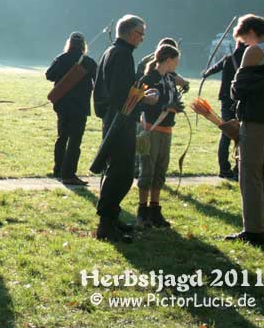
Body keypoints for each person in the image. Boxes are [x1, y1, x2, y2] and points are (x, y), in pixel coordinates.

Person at [93, 14, 158, 242]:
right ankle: (106, 224)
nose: (142, 38)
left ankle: (112, 217)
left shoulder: (113, 52)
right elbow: (121, 94)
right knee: (121, 173)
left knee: (118, 171)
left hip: (114, 118)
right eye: (140, 34)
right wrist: (145, 100)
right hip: (120, 120)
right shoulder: (121, 55)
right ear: (130, 33)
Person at [226, 14, 264, 245]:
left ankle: (253, 231)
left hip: (256, 118)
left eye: (244, 39)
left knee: (248, 175)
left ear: (251, 31)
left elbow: (238, 88)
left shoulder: (255, 51)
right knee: (263, 174)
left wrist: (234, 85)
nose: (244, 45)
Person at [137, 44, 183, 228]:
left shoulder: (170, 79)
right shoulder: (150, 78)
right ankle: (142, 211)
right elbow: (141, 100)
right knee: (147, 170)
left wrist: (175, 105)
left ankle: (155, 210)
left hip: (167, 129)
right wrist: (164, 106)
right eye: (176, 60)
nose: (177, 64)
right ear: (168, 59)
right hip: (151, 129)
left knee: (160, 172)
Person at [45, 32, 97, 186]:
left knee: (62, 137)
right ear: (83, 46)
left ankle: (58, 169)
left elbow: (49, 75)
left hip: (62, 104)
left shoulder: (61, 58)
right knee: (75, 141)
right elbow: (98, 80)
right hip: (80, 107)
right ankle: (69, 174)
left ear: (69, 44)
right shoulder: (89, 62)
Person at [202, 40, 247, 180]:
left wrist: (205, 73)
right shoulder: (248, 61)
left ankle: (224, 169)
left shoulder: (228, 58)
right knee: (241, 135)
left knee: (226, 134)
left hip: (226, 101)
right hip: (241, 101)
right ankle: (237, 169)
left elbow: (214, 68)